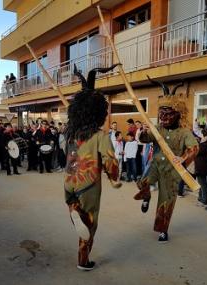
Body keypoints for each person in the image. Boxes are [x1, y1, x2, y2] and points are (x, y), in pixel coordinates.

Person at [64, 65, 121, 271]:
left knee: (77, 208)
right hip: (88, 184)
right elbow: (110, 162)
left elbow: (65, 155)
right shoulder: (100, 135)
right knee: (89, 224)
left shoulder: (70, 133)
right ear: (99, 112)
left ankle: (73, 208)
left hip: (69, 180)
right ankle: (83, 261)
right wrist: (115, 179)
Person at [133, 82, 198, 243]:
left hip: (172, 171)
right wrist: (143, 131)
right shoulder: (158, 129)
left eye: (168, 114)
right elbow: (145, 139)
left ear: (178, 114)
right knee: (143, 183)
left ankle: (163, 230)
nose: (164, 117)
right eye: (161, 113)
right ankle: (146, 196)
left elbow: (194, 148)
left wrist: (183, 158)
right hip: (155, 165)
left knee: (166, 201)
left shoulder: (184, 132)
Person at [195, 128, 207, 206]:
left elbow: (196, 152)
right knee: (201, 183)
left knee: (202, 184)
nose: (200, 136)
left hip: (201, 167)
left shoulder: (203, 145)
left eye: (202, 135)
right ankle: (200, 198)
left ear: (205, 137)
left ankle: (204, 200)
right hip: (205, 166)